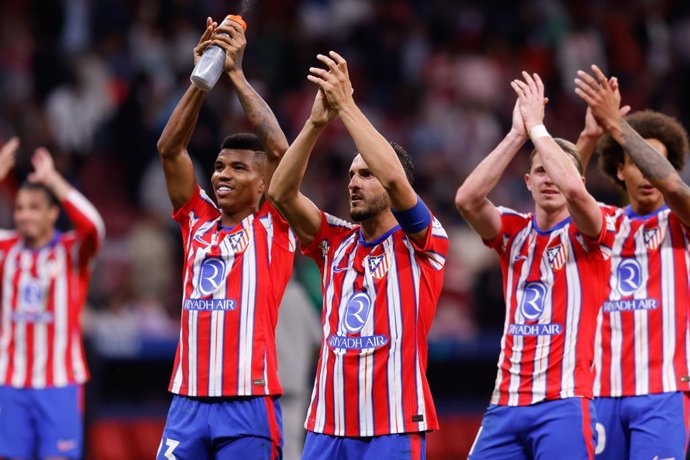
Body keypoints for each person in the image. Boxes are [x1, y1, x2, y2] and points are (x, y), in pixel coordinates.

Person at [268, 51, 449, 460]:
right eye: (351, 174)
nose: (354, 182)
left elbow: (393, 176)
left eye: (365, 175)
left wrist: (347, 104)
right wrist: (316, 123)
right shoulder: (336, 241)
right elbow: (280, 194)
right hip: (326, 426)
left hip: (394, 425)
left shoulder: (424, 242)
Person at [155, 17, 294, 459]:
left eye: (238, 168)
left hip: (248, 406)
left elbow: (279, 152)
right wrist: (202, 80)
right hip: (186, 402)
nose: (222, 176)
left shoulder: (274, 223)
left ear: (263, 183)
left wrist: (234, 74)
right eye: (218, 167)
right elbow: (170, 150)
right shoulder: (196, 221)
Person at [456, 72, 612, 459]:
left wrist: (539, 126)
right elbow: (467, 200)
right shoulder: (513, 231)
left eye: (554, 171)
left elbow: (576, 189)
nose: (548, 180)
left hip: (564, 401)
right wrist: (517, 134)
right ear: (527, 181)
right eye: (539, 171)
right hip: (505, 402)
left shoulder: (592, 231)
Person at [574, 64, 690, 460]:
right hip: (602, 391)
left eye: (656, 162)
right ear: (619, 169)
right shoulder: (603, 224)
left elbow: (674, 185)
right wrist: (591, 136)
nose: (648, 174)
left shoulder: (681, 221)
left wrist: (617, 126)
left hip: (663, 392)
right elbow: (566, 195)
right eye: (636, 162)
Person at [0, 137, 105, 459]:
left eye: (34, 208)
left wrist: (52, 180)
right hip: (9, 382)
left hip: (60, 384)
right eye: (19, 208)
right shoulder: (5, 250)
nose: (24, 216)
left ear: (52, 213)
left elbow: (95, 226)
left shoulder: (71, 251)